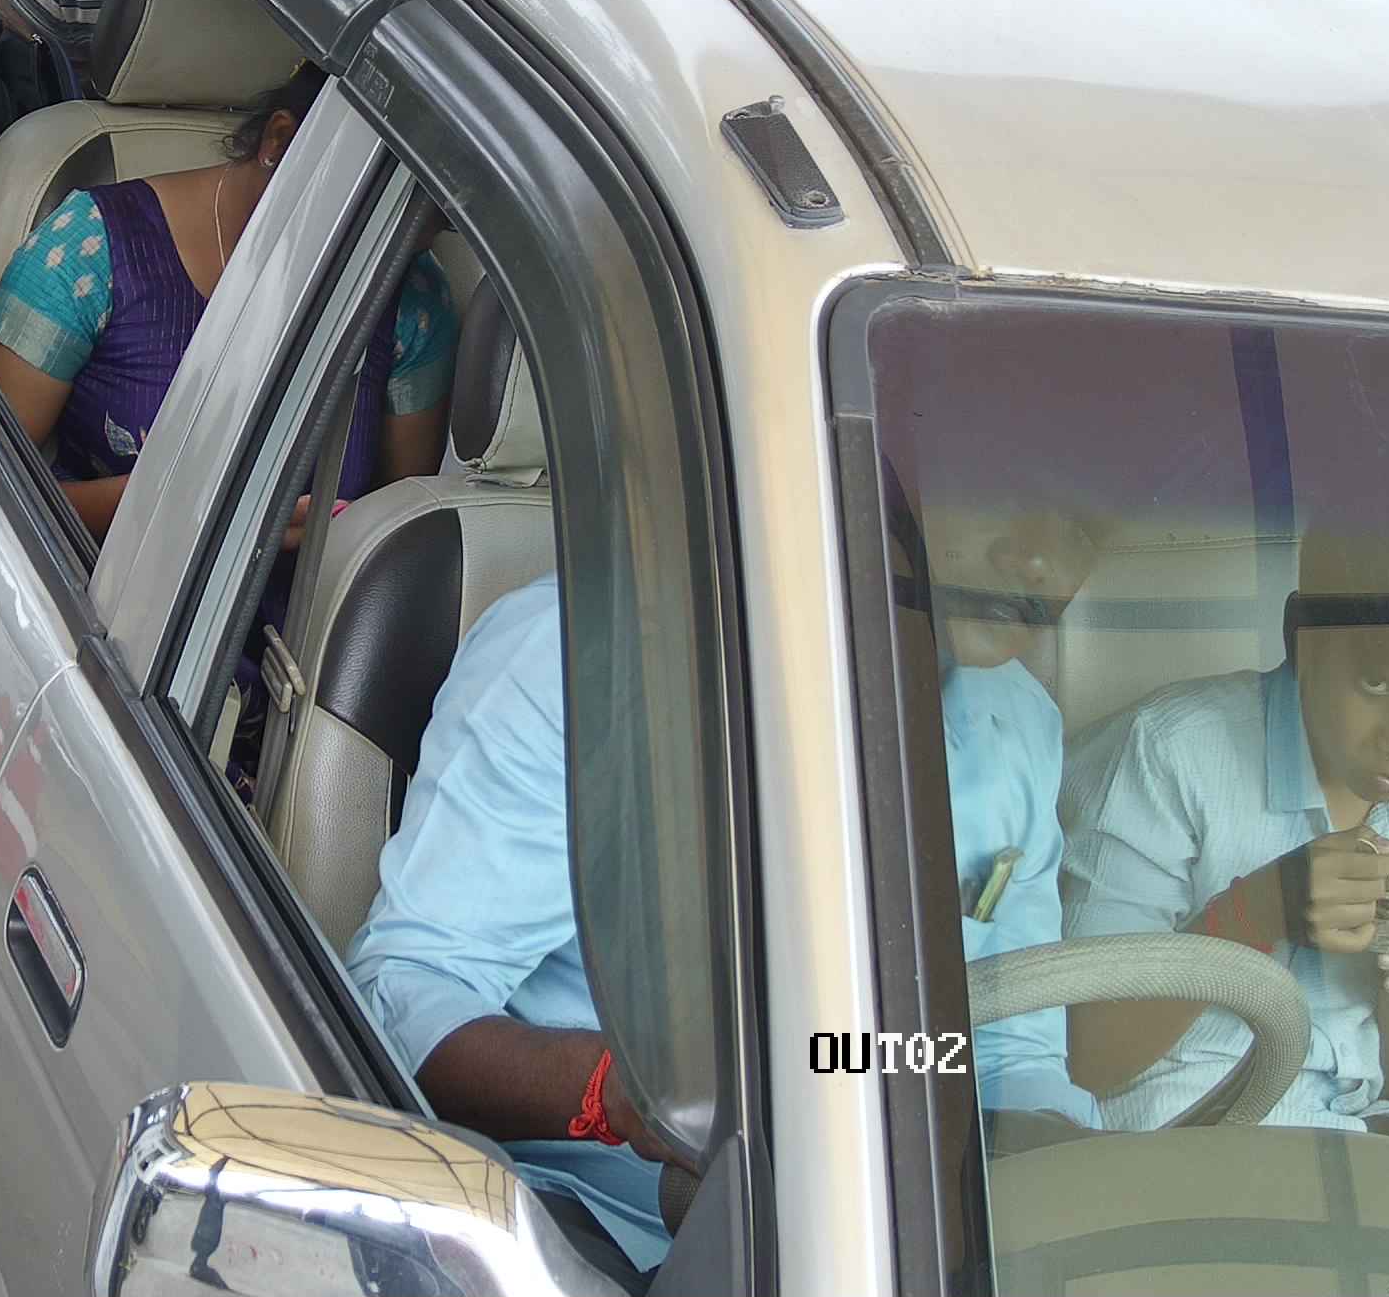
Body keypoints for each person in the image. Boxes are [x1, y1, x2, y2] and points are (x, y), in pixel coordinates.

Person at [345, 489, 1099, 1273]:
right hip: (599, 1227)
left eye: (1085, 523)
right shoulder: (581, 654)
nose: (1041, 560)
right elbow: (402, 992)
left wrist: (1073, 1158)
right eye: (1008, 484)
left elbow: (1002, 1047)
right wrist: (619, 1091)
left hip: (893, 1228)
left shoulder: (1021, 727)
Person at [1061, 510, 1389, 1132]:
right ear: (1304, 641)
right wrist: (1252, 912)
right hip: (1176, 1137)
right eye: (1374, 685)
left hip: (1351, 1148)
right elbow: (1086, 1059)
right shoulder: (1164, 754)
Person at [0, 61, 457, 544]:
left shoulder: (410, 296)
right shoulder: (92, 251)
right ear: (278, 142)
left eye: (429, 226)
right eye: (375, 218)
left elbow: (397, 526)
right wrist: (171, 507)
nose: (394, 250)